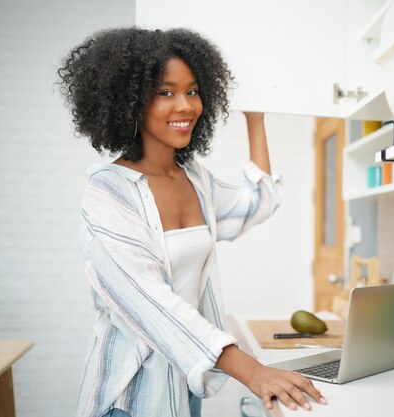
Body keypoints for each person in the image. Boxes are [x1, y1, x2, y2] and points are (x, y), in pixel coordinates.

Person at [57, 27, 326, 417]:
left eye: (193, 91)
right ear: (129, 101)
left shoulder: (195, 177)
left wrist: (255, 117)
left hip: (185, 386)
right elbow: (150, 301)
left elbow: (257, 204)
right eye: (165, 92)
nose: (185, 105)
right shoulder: (109, 191)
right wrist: (251, 370)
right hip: (130, 397)